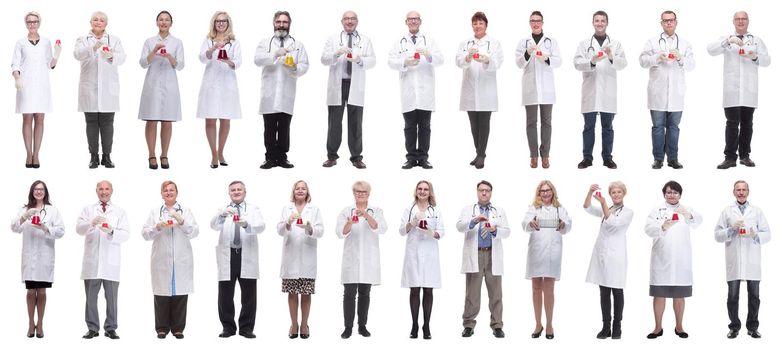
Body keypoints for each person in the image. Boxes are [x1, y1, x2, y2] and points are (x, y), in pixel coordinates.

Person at [708, 12, 771, 169]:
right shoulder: (727, 39)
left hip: (749, 90)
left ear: (748, 21)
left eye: (743, 19)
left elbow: (767, 60)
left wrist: (755, 56)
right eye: (738, 19)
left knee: (747, 124)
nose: (741, 21)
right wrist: (727, 41)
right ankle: (730, 158)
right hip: (731, 90)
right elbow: (710, 50)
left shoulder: (756, 40)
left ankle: (744, 156)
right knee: (731, 123)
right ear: (733, 21)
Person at [644, 180, 702, 339]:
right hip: (662, 258)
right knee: (659, 294)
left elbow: (698, 222)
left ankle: (679, 326)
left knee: (679, 295)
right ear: (664, 194)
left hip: (681, 260)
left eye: (675, 192)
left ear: (680, 195)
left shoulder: (686, 209)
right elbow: (648, 229)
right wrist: (663, 226)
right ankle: (657, 328)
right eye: (669, 192)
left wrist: (688, 214)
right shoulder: (657, 210)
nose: (672, 195)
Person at [141, 180, 199, 339]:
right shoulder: (155, 212)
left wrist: (182, 222)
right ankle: (161, 328)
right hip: (161, 259)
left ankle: (178, 328)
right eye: (165, 190)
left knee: (180, 295)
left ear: (177, 192)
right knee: (161, 295)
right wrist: (157, 227)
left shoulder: (185, 211)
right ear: (161, 194)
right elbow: (145, 234)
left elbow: (194, 232)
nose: (168, 192)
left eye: (171, 190)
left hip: (181, 259)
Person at [714, 180, 770, 339]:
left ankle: (752, 327)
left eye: (744, 189)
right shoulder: (727, 211)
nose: (741, 192)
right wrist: (731, 229)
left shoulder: (757, 211)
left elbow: (768, 234)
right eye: (738, 189)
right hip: (734, 260)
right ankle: (734, 327)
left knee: (754, 297)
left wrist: (755, 235)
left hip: (752, 260)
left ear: (748, 192)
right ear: (733, 192)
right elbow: (717, 235)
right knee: (732, 297)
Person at [639, 11, 695, 169]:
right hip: (657, 92)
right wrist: (658, 57)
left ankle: (673, 159)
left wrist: (680, 58)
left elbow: (692, 65)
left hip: (677, 93)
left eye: (671, 20)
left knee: (674, 128)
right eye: (665, 21)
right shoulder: (652, 42)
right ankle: (658, 159)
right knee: (657, 128)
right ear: (661, 23)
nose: (668, 23)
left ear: (676, 22)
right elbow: (642, 61)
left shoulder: (684, 44)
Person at [75, 180, 130, 340]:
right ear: (96, 190)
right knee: (91, 298)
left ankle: (111, 328)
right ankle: (92, 328)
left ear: (112, 190)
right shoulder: (88, 210)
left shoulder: (120, 212)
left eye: (107, 189)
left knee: (112, 298)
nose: (104, 192)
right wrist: (91, 223)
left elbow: (126, 234)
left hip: (110, 263)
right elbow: (79, 229)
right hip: (92, 262)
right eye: (101, 189)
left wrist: (112, 230)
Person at [388, 11, 443, 169]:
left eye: (416, 19)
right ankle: (411, 158)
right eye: (410, 19)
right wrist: (404, 62)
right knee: (409, 126)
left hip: (425, 91)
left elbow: (440, 59)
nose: (413, 21)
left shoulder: (429, 41)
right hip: (408, 91)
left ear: (420, 21)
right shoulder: (400, 42)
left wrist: (429, 55)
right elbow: (391, 61)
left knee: (425, 126)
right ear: (406, 22)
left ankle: (423, 157)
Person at [321, 11, 376, 169]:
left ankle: (356, 157)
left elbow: (372, 60)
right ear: (342, 21)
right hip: (337, 85)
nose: (349, 21)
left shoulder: (365, 40)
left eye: (352, 19)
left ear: (357, 21)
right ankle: (331, 156)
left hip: (355, 85)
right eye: (346, 19)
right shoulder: (333, 39)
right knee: (334, 123)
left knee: (356, 123)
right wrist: (336, 53)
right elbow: (324, 59)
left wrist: (359, 59)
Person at [11, 180, 65, 338]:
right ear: (32, 192)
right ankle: (30, 323)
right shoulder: (24, 209)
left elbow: (61, 231)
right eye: (36, 189)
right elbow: (14, 228)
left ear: (45, 192)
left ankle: (40, 324)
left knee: (41, 292)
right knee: (29, 292)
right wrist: (24, 216)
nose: (39, 192)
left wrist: (45, 227)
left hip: (44, 257)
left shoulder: (52, 211)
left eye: (41, 189)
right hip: (29, 257)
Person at [256, 11, 310, 169]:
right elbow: (257, 60)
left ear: (289, 24)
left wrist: (294, 67)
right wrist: (274, 54)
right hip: (269, 93)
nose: (281, 24)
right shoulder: (265, 43)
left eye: (285, 22)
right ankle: (270, 158)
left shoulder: (298, 45)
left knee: (285, 127)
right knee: (270, 127)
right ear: (274, 23)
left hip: (287, 91)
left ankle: (282, 157)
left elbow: (305, 65)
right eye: (279, 21)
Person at [210, 181, 265, 338]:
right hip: (228, 255)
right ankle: (228, 327)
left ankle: (246, 328)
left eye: (239, 189)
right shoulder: (223, 209)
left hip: (246, 254)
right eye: (233, 190)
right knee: (225, 294)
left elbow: (261, 226)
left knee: (249, 294)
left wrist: (246, 223)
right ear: (229, 194)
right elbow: (213, 225)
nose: (236, 192)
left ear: (245, 192)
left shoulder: (253, 209)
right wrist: (221, 215)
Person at [573, 11, 627, 169]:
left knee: (608, 127)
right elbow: (576, 63)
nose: (600, 23)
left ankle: (607, 158)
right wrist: (592, 61)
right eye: (597, 20)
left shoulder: (615, 44)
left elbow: (623, 63)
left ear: (607, 23)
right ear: (593, 22)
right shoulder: (584, 44)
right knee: (588, 127)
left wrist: (611, 57)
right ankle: (587, 158)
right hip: (590, 91)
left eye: (602, 20)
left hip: (608, 92)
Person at [456, 180, 510, 338]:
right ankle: (468, 324)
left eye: (487, 190)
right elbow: (459, 226)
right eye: (481, 190)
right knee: (472, 293)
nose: (484, 193)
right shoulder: (468, 210)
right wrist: (473, 221)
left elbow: (507, 231)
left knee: (496, 293)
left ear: (491, 192)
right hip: (476, 255)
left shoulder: (498, 210)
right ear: (477, 192)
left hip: (493, 254)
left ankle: (497, 325)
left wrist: (495, 230)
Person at [74, 11, 125, 169]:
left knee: (107, 123)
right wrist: (93, 47)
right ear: (90, 22)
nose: (98, 22)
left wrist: (110, 55)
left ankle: (107, 157)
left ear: (106, 24)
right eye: (95, 19)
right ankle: (94, 157)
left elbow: (122, 57)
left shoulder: (114, 40)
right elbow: (77, 55)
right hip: (89, 87)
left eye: (101, 20)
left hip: (108, 89)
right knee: (91, 123)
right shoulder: (82, 40)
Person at [336, 181, 387, 338]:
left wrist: (366, 215)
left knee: (365, 292)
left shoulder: (376, 210)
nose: (360, 194)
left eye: (363, 192)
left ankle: (362, 326)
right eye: (357, 191)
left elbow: (382, 228)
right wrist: (350, 222)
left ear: (368, 194)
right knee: (349, 293)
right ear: (354, 193)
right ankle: (348, 327)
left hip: (368, 259)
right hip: (351, 258)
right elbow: (340, 233)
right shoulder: (346, 211)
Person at [583, 182, 633, 339]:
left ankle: (617, 326)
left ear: (623, 194)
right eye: (613, 192)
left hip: (616, 255)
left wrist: (604, 203)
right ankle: (606, 326)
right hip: (602, 255)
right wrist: (590, 192)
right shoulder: (608, 209)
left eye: (619, 192)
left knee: (617, 290)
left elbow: (613, 222)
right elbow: (587, 207)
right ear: (610, 194)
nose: (616, 194)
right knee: (604, 291)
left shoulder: (628, 212)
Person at [522, 180, 571, 339]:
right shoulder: (533, 208)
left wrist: (563, 224)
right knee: (536, 288)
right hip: (536, 251)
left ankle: (549, 324)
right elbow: (524, 224)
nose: (545, 193)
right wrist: (530, 223)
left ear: (553, 191)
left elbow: (568, 224)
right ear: (538, 193)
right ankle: (538, 324)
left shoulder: (560, 208)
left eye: (548, 190)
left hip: (553, 252)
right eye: (542, 191)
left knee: (549, 289)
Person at [12, 11, 60, 169]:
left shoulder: (46, 42)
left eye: (35, 21)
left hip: (42, 85)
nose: (32, 24)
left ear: (39, 23)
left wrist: (57, 54)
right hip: (25, 85)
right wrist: (17, 77)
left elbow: (50, 64)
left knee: (40, 118)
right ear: (26, 24)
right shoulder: (20, 43)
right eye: (29, 22)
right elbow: (15, 64)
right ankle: (28, 153)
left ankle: (37, 154)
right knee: (27, 118)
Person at [277, 180, 324, 339]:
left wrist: (310, 228)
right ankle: (294, 324)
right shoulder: (286, 209)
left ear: (307, 192)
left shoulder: (314, 209)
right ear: (293, 192)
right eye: (297, 188)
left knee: (306, 292)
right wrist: (288, 222)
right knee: (291, 292)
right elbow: (279, 230)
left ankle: (304, 324)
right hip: (290, 257)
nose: (300, 190)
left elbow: (320, 230)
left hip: (307, 257)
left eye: (303, 188)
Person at [138, 11, 184, 170]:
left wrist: (169, 56)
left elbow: (180, 65)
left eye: (167, 20)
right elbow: (143, 63)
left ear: (171, 23)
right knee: (151, 120)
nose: (164, 22)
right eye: (161, 20)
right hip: (152, 84)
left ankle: (164, 154)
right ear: (156, 22)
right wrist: (155, 50)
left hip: (170, 85)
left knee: (167, 120)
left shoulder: (177, 42)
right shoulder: (149, 41)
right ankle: (151, 154)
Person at [457, 12, 503, 169]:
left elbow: (498, 62)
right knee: (473, 125)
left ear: (486, 25)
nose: (478, 26)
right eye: (475, 23)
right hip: (470, 90)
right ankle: (479, 153)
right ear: (472, 26)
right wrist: (467, 57)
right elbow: (458, 61)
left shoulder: (494, 43)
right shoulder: (465, 43)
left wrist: (487, 59)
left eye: (480, 23)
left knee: (484, 124)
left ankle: (481, 155)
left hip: (486, 91)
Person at [196, 11, 242, 169]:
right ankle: (213, 154)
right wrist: (212, 49)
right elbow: (202, 58)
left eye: (224, 21)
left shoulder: (234, 42)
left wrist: (228, 61)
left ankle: (221, 152)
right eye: (218, 21)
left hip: (227, 83)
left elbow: (238, 62)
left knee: (225, 118)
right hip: (210, 83)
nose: (221, 23)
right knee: (210, 119)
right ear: (214, 23)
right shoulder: (208, 40)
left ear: (228, 23)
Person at [399, 180, 444, 339]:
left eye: (426, 189)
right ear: (416, 191)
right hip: (413, 253)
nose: (423, 191)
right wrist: (411, 223)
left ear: (430, 192)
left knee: (428, 289)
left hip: (430, 253)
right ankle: (414, 325)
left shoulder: (435, 210)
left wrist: (431, 232)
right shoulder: (409, 209)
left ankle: (426, 326)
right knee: (414, 289)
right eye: (420, 188)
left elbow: (441, 231)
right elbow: (401, 231)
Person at [516, 11, 560, 169]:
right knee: (531, 123)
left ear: (542, 23)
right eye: (533, 21)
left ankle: (546, 155)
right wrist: (527, 54)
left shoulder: (551, 41)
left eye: (538, 21)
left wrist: (546, 58)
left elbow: (558, 61)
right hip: (530, 88)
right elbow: (519, 63)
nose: (535, 23)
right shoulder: (523, 42)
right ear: (529, 23)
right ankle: (534, 156)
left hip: (547, 89)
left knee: (547, 122)